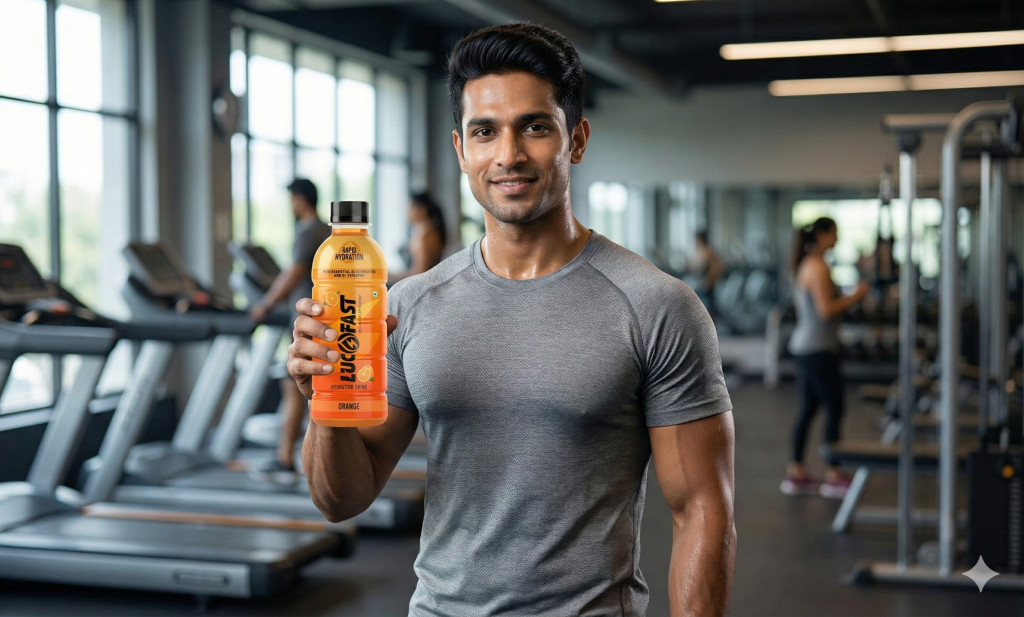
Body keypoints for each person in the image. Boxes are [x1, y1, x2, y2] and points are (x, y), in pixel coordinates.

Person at [288, 24, 736, 617]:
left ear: (575, 139)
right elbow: (341, 499)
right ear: (461, 149)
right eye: (485, 131)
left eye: (534, 126)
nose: (508, 155)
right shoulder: (407, 305)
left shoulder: (656, 305)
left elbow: (703, 508)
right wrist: (325, 401)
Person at [248, 178, 331, 485]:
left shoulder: (307, 231)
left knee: (294, 385)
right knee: (311, 387)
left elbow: (292, 273)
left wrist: (264, 305)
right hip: (325, 317)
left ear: (299, 200)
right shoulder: (327, 230)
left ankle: (287, 459)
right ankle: (311, 459)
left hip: (307, 320)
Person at [782, 217, 869, 498]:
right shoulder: (816, 267)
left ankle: (795, 473)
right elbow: (826, 310)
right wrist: (857, 295)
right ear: (822, 235)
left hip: (809, 347)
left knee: (808, 409)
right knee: (835, 407)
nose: (837, 238)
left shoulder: (810, 264)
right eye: (834, 233)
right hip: (817, 348)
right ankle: (833, 475)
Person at [389, 192, 447, 285]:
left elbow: (421, 273)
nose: (407, 212)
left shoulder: (426, 235)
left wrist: (391, 276)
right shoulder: (425, 232)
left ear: (421, 210)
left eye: (410, 207)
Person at [690, 230, 725, 316]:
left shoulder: (707, 251)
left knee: (709, 310)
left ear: (700, 239)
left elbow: (718, 267)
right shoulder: (701, 251)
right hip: (701, 285)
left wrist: (708, 280)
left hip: (707, 287)